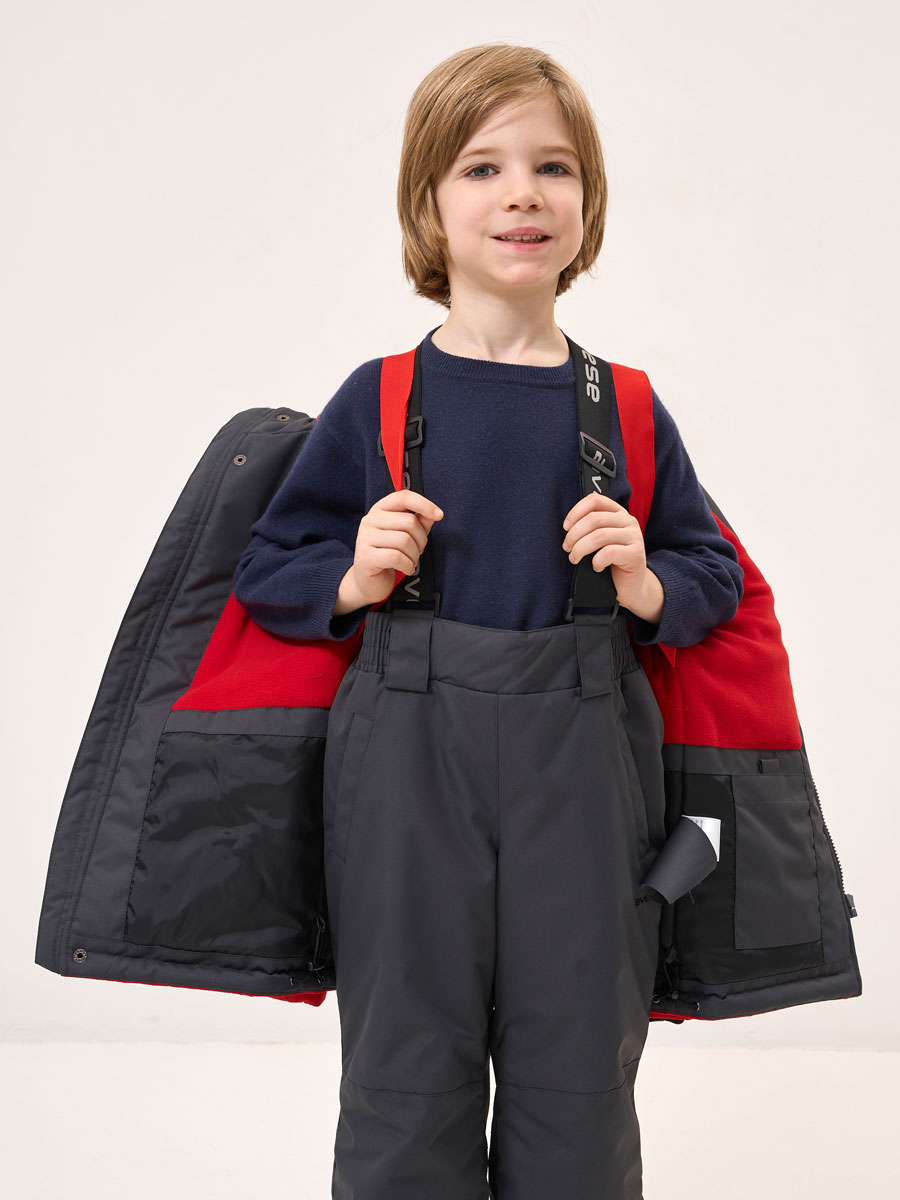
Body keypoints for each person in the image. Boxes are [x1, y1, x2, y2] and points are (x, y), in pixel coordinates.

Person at [233, 42, 743, 1200]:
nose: (523, 193)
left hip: (588, 762)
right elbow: (271, 569)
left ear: (587, 203)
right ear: (428, 205)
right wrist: (353, 577)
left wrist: (646, 584)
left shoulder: (629, 407)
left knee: (582, 1065)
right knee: (405, 1064)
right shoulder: (377, 397)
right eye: (482, 167)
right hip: (406, 761)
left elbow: (709, 571)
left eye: (554, 168)